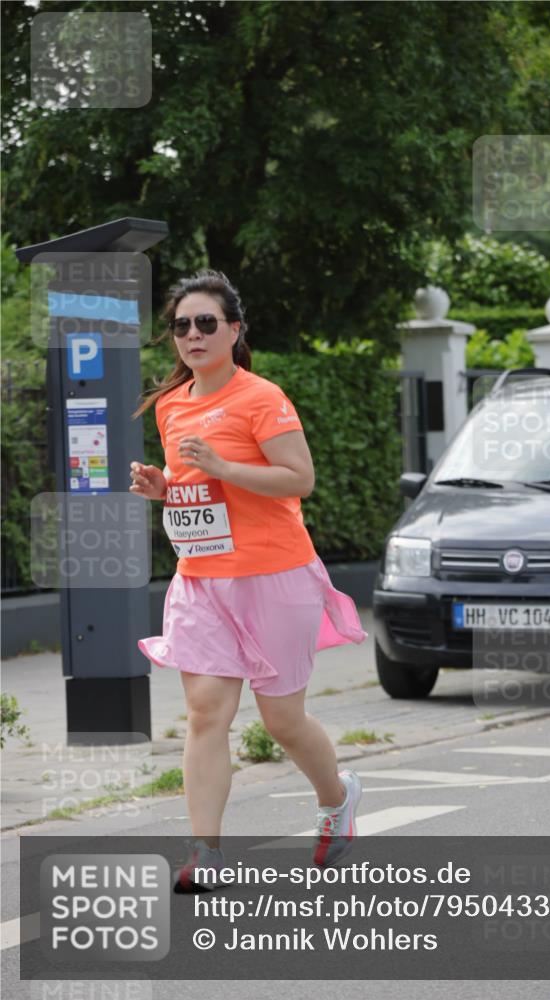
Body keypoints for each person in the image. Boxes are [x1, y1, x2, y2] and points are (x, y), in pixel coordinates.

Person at [130, 269, 366, 892]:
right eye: (181, 325)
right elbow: (198, 489)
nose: (192, 334)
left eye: (206, 322)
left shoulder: (262, 397)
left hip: (273, 576)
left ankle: (337, 797)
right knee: (206, 713)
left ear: (234, 330)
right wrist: (164, 489)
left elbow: (299, 479)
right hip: (201, 579)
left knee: (282, 719)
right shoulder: (171, 405)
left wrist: (224, 465)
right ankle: (205, 852)